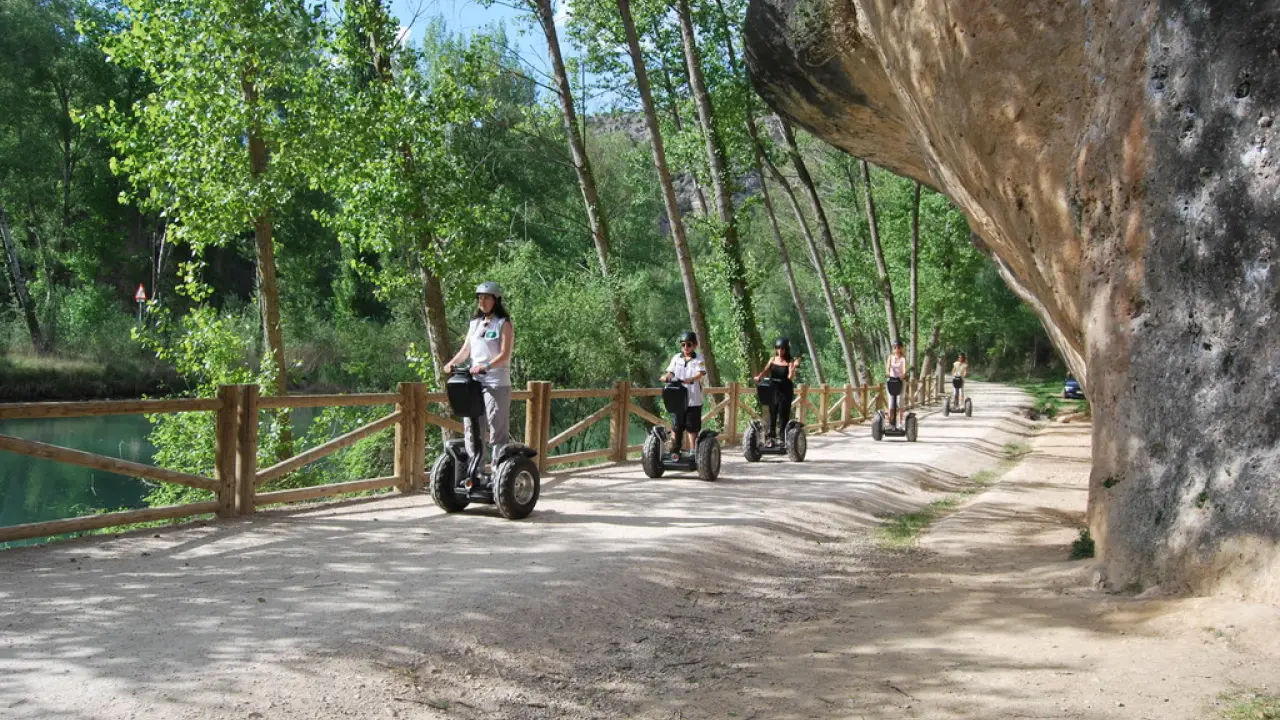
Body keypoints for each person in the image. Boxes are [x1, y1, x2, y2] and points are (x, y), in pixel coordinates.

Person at [444, 281, 514, 463]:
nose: (482, 302)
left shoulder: (503, 323)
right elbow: (466, 350)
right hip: (473, 382)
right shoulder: (475, 324)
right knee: (471, 426)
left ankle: (499, 469)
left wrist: (487, 366)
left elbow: (504, 354)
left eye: (486, 298)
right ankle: (476, 469)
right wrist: (452, 363)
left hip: (495, 382)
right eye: (480, 298)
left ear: (496, 300)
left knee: (496, 425)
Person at [660, 331, 706, 460]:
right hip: (678, 399)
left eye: (689, 344)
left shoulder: (699, 359)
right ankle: (675, 450)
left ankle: (693, 451)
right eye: (683, 344)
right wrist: (666, 377)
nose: (686, 347)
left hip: (693, 399)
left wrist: (691, 379)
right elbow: (670, 372)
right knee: (676, 426)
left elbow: (700, 373)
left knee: (692, 427)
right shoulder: (676, 358)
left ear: (695, 345)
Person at [753, 337, 801, 447]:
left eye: (782, 348)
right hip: (773, 389)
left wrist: (793, 367)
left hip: (785, 389)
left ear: (786, 349)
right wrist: (759, 377)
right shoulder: (772, 359)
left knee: (783, 413)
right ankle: (771, 436)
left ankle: (783, 437)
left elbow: (790, 377)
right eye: (778, 348)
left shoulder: (789, 362)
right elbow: (766, 370)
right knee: (772, 412)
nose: (780, 351)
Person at [885, 340, 909, 429]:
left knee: (899, 402)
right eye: (895, 347)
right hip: (891, 381)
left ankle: (900, 423)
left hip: (900, 381)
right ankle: (890, 422)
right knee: (891, 403)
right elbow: (887, 368)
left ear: (901, 348)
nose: (897, 349)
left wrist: (902, 376)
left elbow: (904, 370)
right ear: (893, 349)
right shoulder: (890, 357)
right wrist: (888, 373)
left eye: (898, 347)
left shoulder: (903, 359)